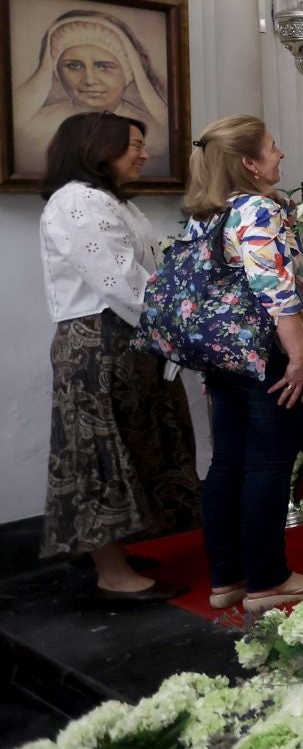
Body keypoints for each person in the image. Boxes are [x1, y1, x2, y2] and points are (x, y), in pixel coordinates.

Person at [37, 112, 198, 602]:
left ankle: (114, 552)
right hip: (98, 343)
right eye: (133, 144)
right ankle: (110, 571)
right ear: (97, 148)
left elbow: (146, 273)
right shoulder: (79, 201)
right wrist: (183, 328)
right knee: (101, 454)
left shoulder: (112, 203)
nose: (144, 154)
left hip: (128, 339)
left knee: (130, 445)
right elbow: (119, 281)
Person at [185, 115, 303, 614]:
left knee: (227, 462)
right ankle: (269, 580)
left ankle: (228, 578)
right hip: (269, 353)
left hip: (224, 354)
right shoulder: (257, 210)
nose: (280, 153)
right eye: (272, 147)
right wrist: (299, 356)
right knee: (269, 462)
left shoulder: (207, 212)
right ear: (249, 162)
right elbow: (274, 290)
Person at [16, 9, 172, 180]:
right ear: (57, 72)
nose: (89, 80)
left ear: (128, 73)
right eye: (74, 66)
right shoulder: (34, 128)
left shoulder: (156, 134)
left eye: (104, 66)